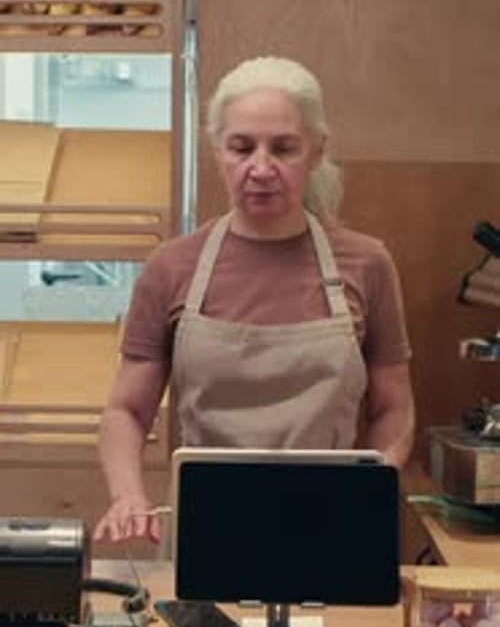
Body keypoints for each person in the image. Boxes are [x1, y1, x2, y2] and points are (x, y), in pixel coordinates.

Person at [94, 56, 415, 544]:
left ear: (316, 152)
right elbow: (126, 411)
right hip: (207, 532)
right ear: (217, 151)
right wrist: (128, 496)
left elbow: (394, 408)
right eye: (241, 147)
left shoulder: (367, 263)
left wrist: (369, 489)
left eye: (284, 148)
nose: (260, 168)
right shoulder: (171, 266)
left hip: (333, 525)